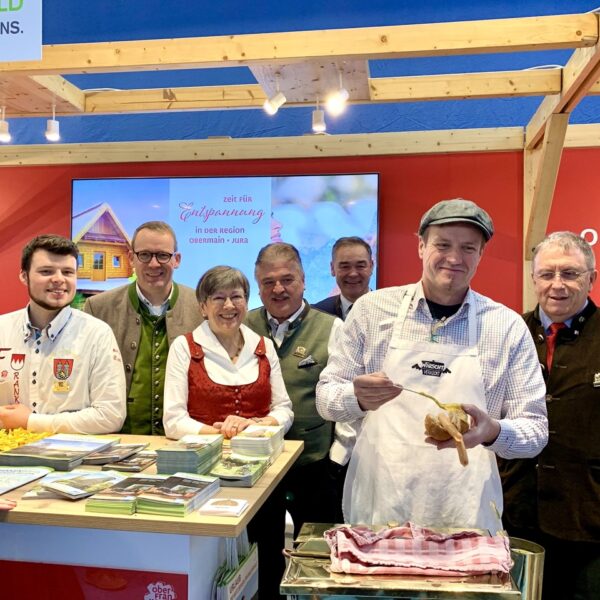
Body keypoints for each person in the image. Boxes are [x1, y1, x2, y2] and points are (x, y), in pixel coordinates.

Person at [316, 198, 548, 532]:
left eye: (468, 248)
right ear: (421, 246)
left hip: (465, 508)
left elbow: (536, 430)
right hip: (381, 502)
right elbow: (325, 399)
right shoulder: (371, 311)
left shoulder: (505, 327)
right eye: (442, 244)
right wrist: (356, 398)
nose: (454, 258)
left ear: (481, 255)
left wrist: (493, 431)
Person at [499, 231, 600, 600]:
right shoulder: (508, 334)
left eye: (570, 274)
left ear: (591, 278)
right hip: (514, 513)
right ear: (534, 279)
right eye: (547, 274)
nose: (557, 284)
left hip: (588, 519)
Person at [244, 242, 342, 597]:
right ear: (258, 287)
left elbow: (345, 399)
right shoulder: (243, 325)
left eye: (287, 279)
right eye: (268, 282)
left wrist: (337, 458)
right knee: (263, 554)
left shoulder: (332, 328)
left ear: (304, 281)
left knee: (319, 559)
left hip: (314, 464)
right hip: (257, 466)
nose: (279, 289)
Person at [84, 221, 202, 436]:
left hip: (187, 439)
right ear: (131, 258)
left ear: (177, 260)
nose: (154, 264)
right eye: (145, 255)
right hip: (118, 440)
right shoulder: (98, 308)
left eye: (163, 255)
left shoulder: (202, 307)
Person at [0, 234, 126, 434]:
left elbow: (110, 416)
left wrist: (30, 421)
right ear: (24, 276)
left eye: (67, 272)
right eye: (46, 271)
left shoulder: (97, 334)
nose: (59, 279)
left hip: (74, 460)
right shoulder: (2, 329)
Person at [163, 265, 293, 440]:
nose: (229, 305)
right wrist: (225, 432)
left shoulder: (264, 346)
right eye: (219, 298)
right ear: (203, 308)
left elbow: (284, 409)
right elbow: (173, 422)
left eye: (236, 297)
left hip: (261, 453)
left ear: (246, 303)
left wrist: (257, 426)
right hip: (203, 457)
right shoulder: (183, 347)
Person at [313, 236, 374, 319]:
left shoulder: (391, 311)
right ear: (332, 268)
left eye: (360, 266)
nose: (353, 274)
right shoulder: (317, 314)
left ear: (371, 267)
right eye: (345, 267)